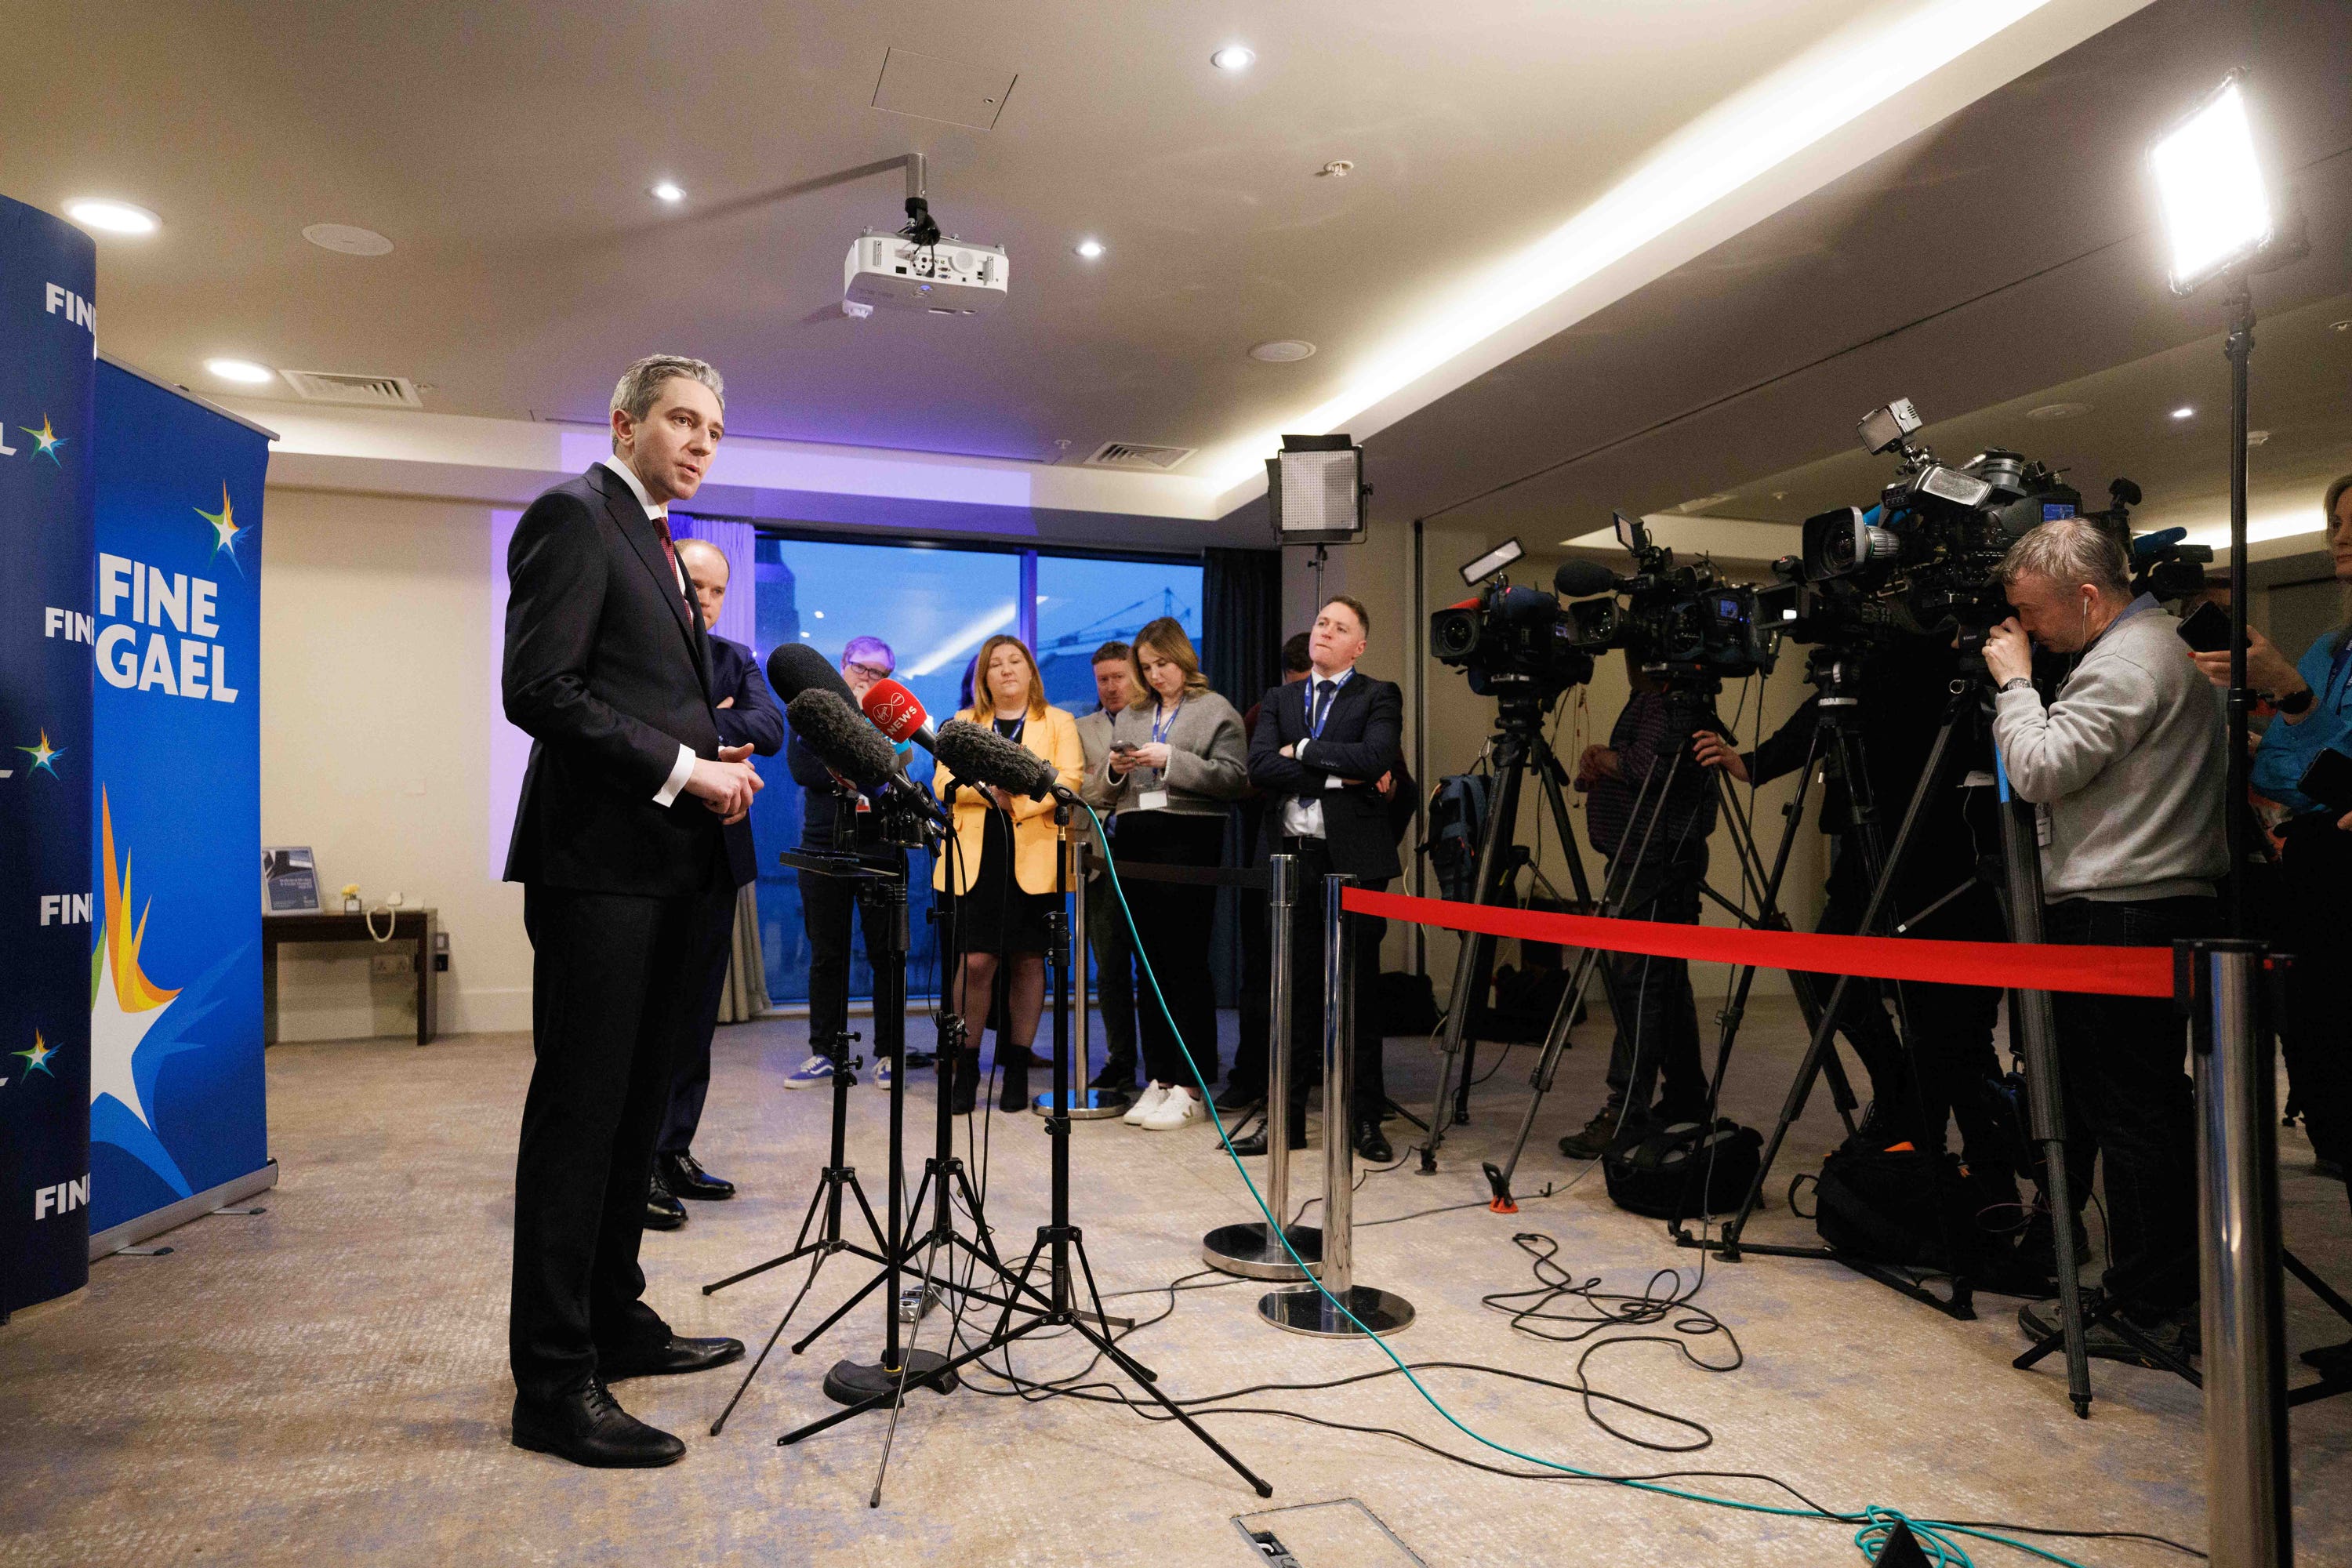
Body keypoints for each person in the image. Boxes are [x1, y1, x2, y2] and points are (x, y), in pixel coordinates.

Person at [499, 354, 756, 1468]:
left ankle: (613, 1321)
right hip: (599, 869)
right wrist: (683, 770)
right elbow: (539, 689)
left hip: (667, 873)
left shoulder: (651, 533)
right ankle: (553, 1385)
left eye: (713, 429)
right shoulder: (573, 516)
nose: (701, 443)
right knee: (580, 1120)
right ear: (625, 422)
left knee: (636, 1119)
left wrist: (709, 753)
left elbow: (636, 687)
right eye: (681, 422)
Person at [1692, 633, 2031, 1282]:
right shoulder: (1864, 667)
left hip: (1943, 860)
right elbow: (1832, 704)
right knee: (1832, 980)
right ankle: (1906, 1101)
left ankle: (1993, 1193)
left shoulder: (1957, 665)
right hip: (1864, 848)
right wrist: (1753, 762)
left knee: (1951, 1034)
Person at [1986, 517, 2227, 1363]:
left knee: (2129, 1115)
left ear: (2088, 597)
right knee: (2144, 1108)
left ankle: (2150, 1301)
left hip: (2120, 904)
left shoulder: (2124, 661)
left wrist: (2016, 687)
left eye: (2035, 614)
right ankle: (2156, 1285)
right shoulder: (2156, 648)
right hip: (2149, 899)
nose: (2028, 632)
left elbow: (2041, 769)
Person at [2191, 472, 2352, 1379]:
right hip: (2317, 881)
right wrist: (2273, 715)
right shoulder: (2333, 645)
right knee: (2333, 1097)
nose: (2339, 538)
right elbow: (2301, 775)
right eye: (2335, 523)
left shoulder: (2317, 662)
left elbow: (2330, 763)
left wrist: (2291, 700)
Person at [644, 537, 782, 1229]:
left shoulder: (739, 659)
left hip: (717, 859)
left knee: (696, 1018)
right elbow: (639, 728)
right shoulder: (644, 647)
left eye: (716, 590)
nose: (704, 599)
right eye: (694, 584)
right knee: (647, 1019)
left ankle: (674, 1151)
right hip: (646, 858)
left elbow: (769, 727)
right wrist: (709, 731)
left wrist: (700, 727)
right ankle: (634, 1165)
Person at [1239, 597, 1404, 1163]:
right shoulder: (1279, 698)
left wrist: (1305, 750)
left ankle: (1363, 1120)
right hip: (1291, 859)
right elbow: (1260, 767)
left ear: (1358, 646)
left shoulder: (1378, 694)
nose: (1325, 632)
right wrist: (1338, 778)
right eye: (1320, 624)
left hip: (1354, 860)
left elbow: (1377, 755)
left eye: (1340, 628)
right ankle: (1286, 1121)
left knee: (1356, 992)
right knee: (1292, 994)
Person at [1555, 655, 1723, 1160]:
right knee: (1664, 978)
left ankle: (1625, 1110)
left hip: (1655, 858)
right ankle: (1688, 1096)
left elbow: (1653, 768)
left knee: (1638, 983)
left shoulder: (1674, 703)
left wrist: (1604, 757)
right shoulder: (1651, 697)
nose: (1626, 656)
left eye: (1635, 646)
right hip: (1641, 855)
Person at [1087, 619, 1250, 1130]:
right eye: (1148, 667)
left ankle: (1191, 1083)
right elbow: (1101, 793)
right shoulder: (1133, 715)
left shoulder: (1215, 710)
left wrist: (1172, 759)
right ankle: (1158, 1078)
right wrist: (1117, 769)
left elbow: (1236, 780)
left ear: (1183, 658)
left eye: (1163, 664)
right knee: (1147, 968)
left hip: (1190, 841)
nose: (1155, 675)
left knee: (1185, 965)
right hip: (1136, 839)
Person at [933, 635, 1083, 1113]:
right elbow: (943, 783)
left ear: (1031, 671)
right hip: (976, 856)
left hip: (1036, 857)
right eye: (994, 664)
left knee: (1027, 961)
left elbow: (1069, 782)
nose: (1005, 670)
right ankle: (966, 1067)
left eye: (1015, 661)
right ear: (983, 677)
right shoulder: (963, 723)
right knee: (975, 962)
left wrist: (1015, 800)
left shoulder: (1057, 722)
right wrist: (990, 796)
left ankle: (1016, 1067)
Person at [779, 635, 903, 1096]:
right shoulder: (813, 708)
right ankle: (826, 1052)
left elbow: (897, 773)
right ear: (843, 664)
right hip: (820, 843)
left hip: (880, 846)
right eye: (861, 668)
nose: (869, 679)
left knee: (886, 954)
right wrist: (863, 773)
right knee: (826, 953)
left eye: (880, 673)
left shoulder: (892, 714)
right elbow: (803, 771)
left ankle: (889, 1052)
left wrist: (860, 773)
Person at [1218, 633, 1313, 1116]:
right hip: (1266, 861)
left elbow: (1390, 780)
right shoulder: (1262, 713)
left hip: (1327, 864)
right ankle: (1250, 1075)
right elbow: (1248, 780)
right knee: (1260, 977)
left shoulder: (1351, 710)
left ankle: (1317, 1075)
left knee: (1321, 976)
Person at [1074, 642, 1143, 1092]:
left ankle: (1176, 1062)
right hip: (1101, 859)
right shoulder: (1080, 728)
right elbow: (1081, 790)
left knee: (1164, 961)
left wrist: (1104, 779)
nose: (1111, 687)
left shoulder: (1159, 718)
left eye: (1119, 676)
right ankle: (1120, 1060)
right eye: (1103, 679)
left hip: (1156, 856)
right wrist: (1112, 777)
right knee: (1111, 967)